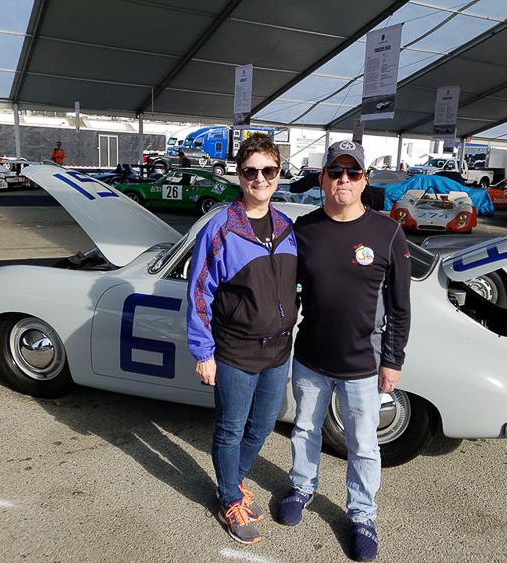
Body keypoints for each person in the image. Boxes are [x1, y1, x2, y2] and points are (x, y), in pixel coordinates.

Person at [277, 140, 411, 562]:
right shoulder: (304, 230)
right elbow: (285, 291)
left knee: (364, 444)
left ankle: (362, 515)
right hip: (311, 358)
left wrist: (393, 360)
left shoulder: (386, 232)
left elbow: (400, 306)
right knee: (303, 429)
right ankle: (302, 487)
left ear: (365, 180)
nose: (344, 180)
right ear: (321, 179)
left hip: (362, 365)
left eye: (353, 173)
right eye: (335, 173)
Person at [186, 133, 298, 545]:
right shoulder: (221, 227)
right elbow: (200, 291)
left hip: (278, 348)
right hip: (234, 349)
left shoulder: (287, 227)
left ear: (279, 174)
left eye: (268, 170)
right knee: (231, 429)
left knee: (264, 424)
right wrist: (203, 352)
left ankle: (230, 482)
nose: (260, 179)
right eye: (251, 171)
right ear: (238, 175)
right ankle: (230, 498)